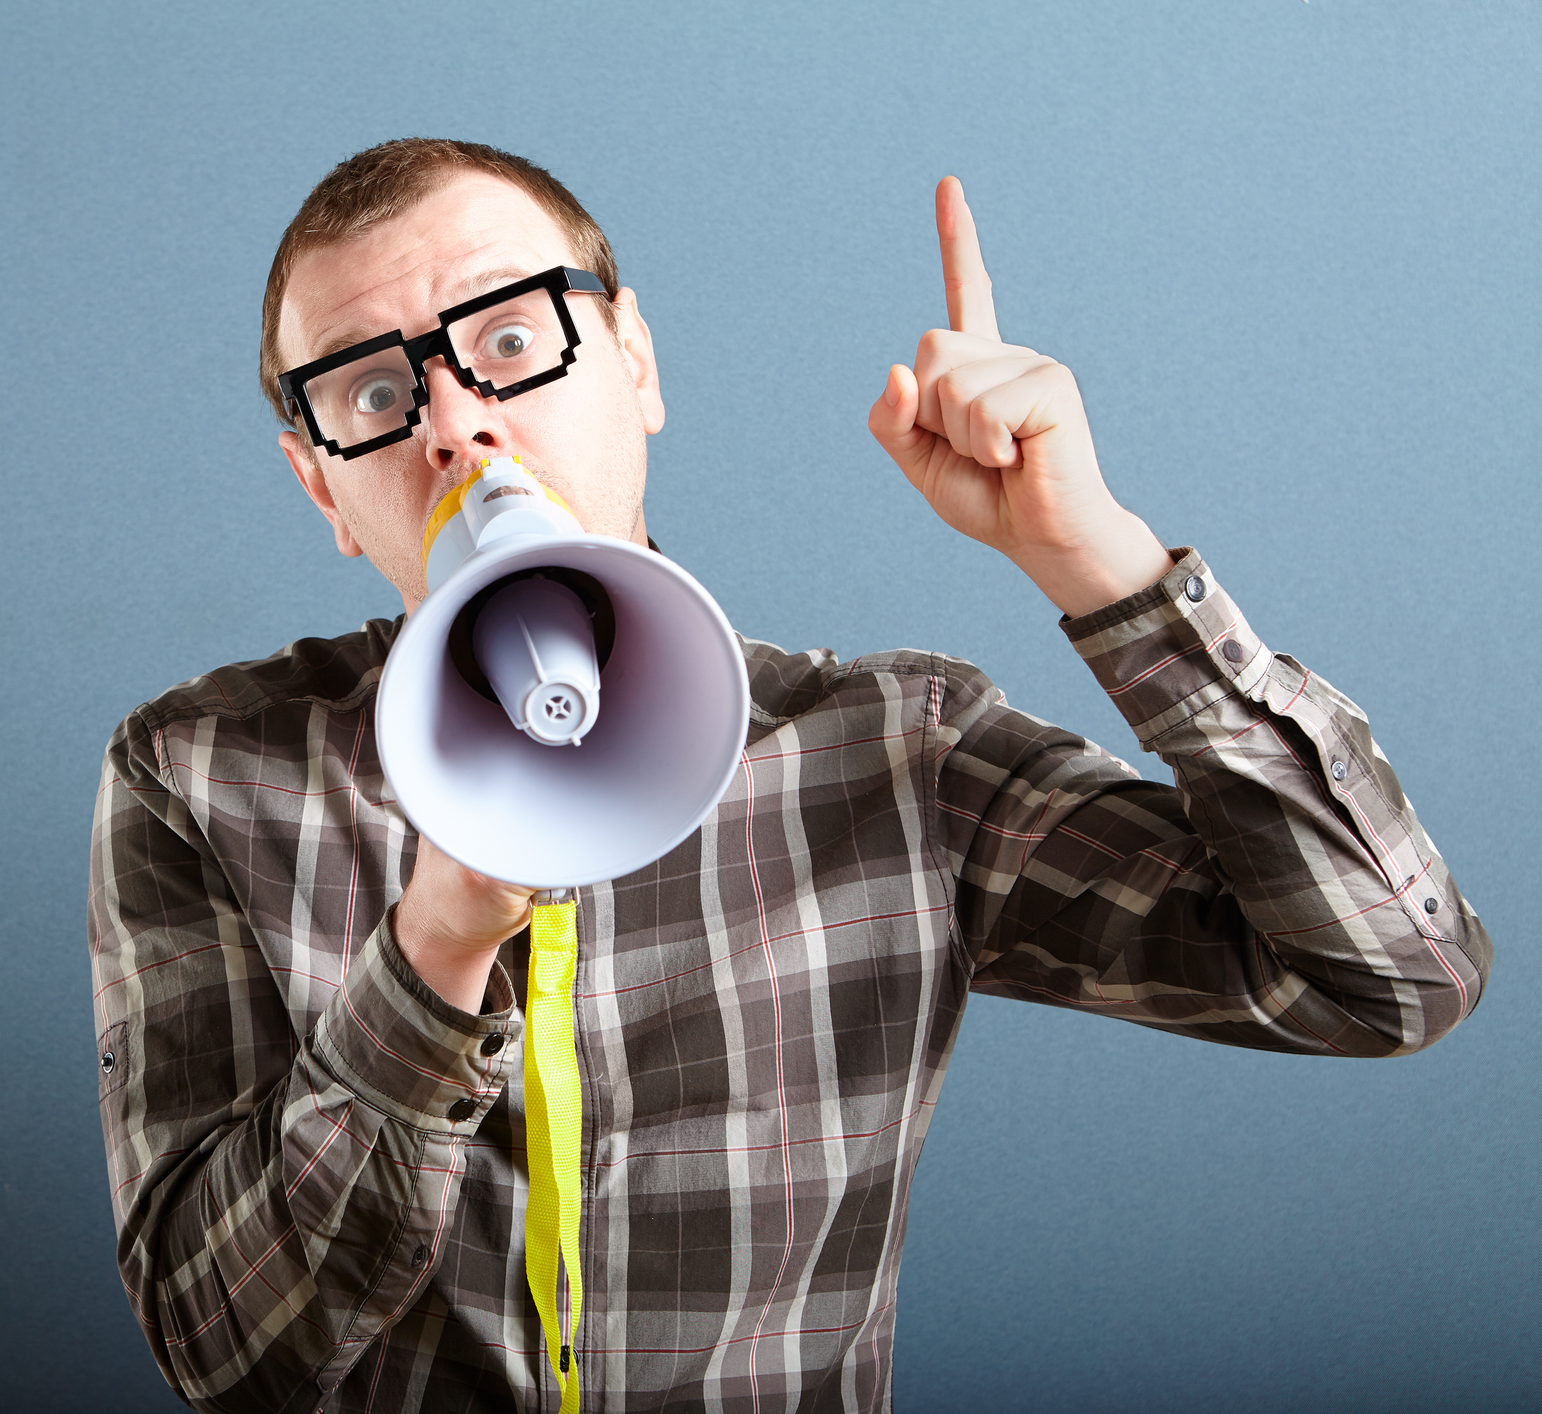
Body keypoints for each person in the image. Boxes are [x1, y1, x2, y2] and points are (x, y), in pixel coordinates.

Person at [87, 138, 1490, 1413]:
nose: (457, 425)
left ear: (634, 360)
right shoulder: (202, 773)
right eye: (376, 393)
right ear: (319, 483)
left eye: (509, 337)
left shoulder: (889, 750)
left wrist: (1097, 562)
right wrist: (434, 948)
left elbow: (1388, 974)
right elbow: (227, 1352)